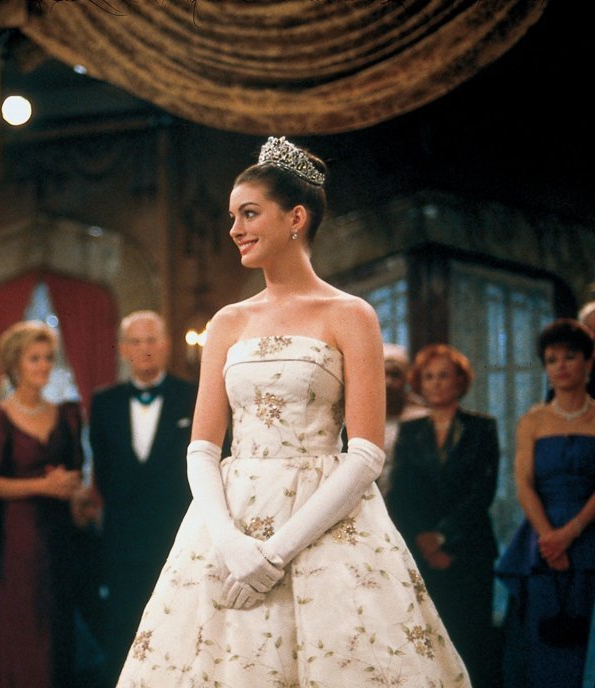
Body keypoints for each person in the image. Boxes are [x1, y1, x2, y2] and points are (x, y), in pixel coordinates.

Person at [116, 137, 468, 686]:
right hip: (230, 519)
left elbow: (367, 452)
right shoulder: (228, 322)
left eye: (249, 213)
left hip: (324, 517)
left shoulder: (350, 314)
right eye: (232, 217)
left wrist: (275, 554)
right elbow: (203, 448)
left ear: (296, 218)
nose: (235, 229)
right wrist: (232, 543)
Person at [0, 320, 87, 688]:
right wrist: (42, 485)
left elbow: (75, 474)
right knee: (18, 627)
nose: (43, 366)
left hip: (59, 538)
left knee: (56, 626)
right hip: (14, 542)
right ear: (14, 364)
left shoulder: (67, 414)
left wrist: (71, 487)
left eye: (48, 358)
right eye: (34, 358)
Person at [88, 310, 197, 680]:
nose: (144, 348)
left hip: (177, 535)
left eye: (151, 340)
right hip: (122, 539)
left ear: (166, 346)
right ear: (123, 349)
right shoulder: (104, 402)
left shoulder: (192, 396)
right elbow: (103, 472)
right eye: (135, 341)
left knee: (178, 626)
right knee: (122, 627)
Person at [387, 343, 501, 685]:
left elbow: (482, 491)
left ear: (460, 381)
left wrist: (442, 537)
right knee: (429, 640)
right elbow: (402, 494)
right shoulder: (410, 431)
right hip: (420, 550)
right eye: (428, 376)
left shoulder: (482, 427)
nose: (436, 383)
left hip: (470, 549)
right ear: (419, 383)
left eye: (444, 376)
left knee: (473, 641)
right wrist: (424, 540)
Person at [497, 318, 595, 688]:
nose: (561, 366)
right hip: (541, 539)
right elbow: (523, 485)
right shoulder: (533, 420)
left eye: (570, 356)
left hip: (589, 533)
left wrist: (569, 533)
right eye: (552, 360)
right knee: (543, 641)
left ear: (589, 361)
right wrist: (549, 537)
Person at [377, 342, 427, 496]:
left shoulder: (422, 418)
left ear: (406, 378)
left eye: (395, 375)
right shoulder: (361, 416)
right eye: (383, 375)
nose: (388, 382)